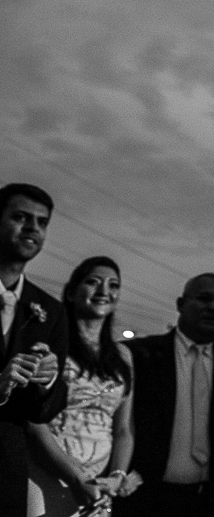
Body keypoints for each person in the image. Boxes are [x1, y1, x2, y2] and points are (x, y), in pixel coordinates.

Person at [119, 273, 214, 517]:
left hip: (213, 504)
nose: (213, 307)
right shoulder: (141, 356)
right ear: (181, 304)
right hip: (145, 501)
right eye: (204, 298)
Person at [27, 256, 142, 515]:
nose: (104, 291)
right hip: (48, 473)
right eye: (93, 282)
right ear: (71, 292)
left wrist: (117, 476)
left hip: (98, 487)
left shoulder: (123, 356)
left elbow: (124, 429)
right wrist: (75, 477)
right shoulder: (52, 342)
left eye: (113, 285)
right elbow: (34, 420)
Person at [0, 182, 69, 516]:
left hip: (7, 472)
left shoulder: (49, 311)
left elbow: (46, 411)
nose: (33, 228)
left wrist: (48, 381)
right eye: (21, 217)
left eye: (42, 222)